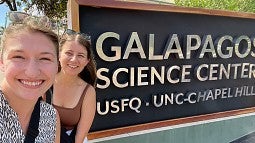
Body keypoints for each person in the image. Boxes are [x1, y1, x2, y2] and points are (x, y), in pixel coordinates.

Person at [0, 11, 60, 142]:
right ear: (2, 62)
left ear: (57, 66)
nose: (32, 72)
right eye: (18, 57)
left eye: (45, 58)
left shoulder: (50, 116)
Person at [50, 29, 97, 143]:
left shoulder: (88, 91)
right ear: (59, 55)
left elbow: (79, 138)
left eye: (80, 55)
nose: (74, 59)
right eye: (69, 53)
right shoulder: (44, 82)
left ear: (87, 61)